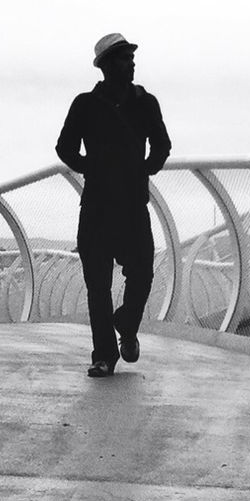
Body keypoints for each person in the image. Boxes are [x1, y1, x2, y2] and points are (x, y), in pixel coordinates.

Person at [55, 33, 171, 378]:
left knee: (143, 273)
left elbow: (163, 144)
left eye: (132, 58)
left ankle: (127, 322)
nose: (131, 63)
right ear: (106, 65)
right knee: (98, 286)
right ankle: (104, 355)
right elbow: (64, 148)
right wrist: (91, 167)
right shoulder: (85, 105)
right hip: (97, 208)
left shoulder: (145, 102)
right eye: (124, 58)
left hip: (133, 206)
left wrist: (145, 169)